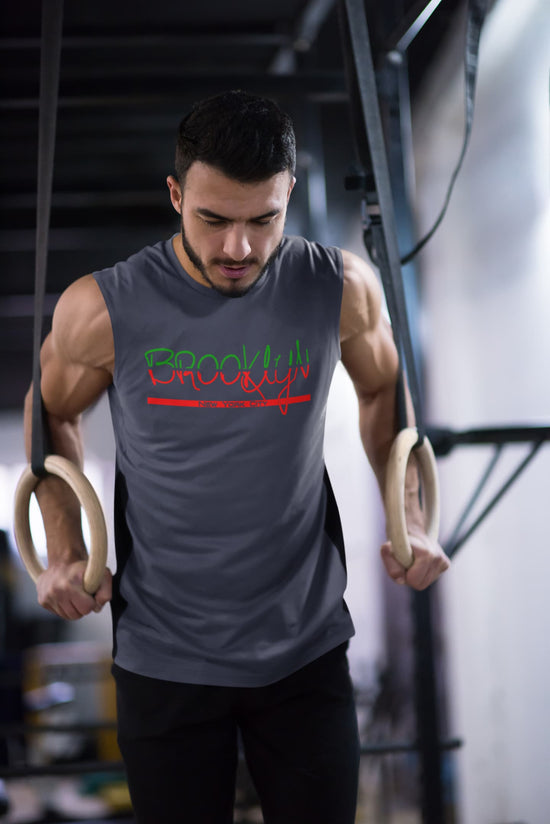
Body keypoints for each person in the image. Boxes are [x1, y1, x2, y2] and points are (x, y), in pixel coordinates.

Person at [24, 90, 449, 823]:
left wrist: (408, 518)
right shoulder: (104, 307)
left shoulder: (338, 287)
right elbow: (52, 408)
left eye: (264, 220)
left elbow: (385, 395)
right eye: (213, 219)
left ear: (288, 193)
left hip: (305, 647)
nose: (238, 249)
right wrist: (66, 550)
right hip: (163, 656)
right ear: (175, 193)